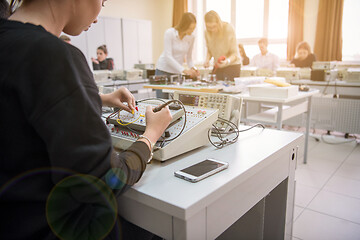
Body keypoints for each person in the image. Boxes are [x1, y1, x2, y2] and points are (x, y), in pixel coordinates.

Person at [0, 0, 172, 239]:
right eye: (103, 1)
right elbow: (106, 180)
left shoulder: (9, 40)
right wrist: (151, 135)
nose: (99, 14)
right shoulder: (52, 54)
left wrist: (97, 97)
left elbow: (23, 105)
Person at [155, 12, 199, 79]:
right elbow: (168, 56)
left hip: (176, 72)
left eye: (194, 28)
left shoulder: (191, 37)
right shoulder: (170, 33)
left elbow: (189, 57)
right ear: (184, 25)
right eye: (190, 28)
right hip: (163, 70)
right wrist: (184, 70)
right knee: (161, 89)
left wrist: (193, 68)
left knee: (175, 89)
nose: (192, 31)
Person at [204, 10, 241, 81]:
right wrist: (207, 60)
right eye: (209, 27)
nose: (212, 30)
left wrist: (227, 61)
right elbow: (209, 50)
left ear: (218, 22)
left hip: (232, 65)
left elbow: (235, 53)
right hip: (218, 66)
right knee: (216, 89)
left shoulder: (228, 28)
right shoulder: (206, 32)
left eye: (214, 26)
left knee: (227, 90)